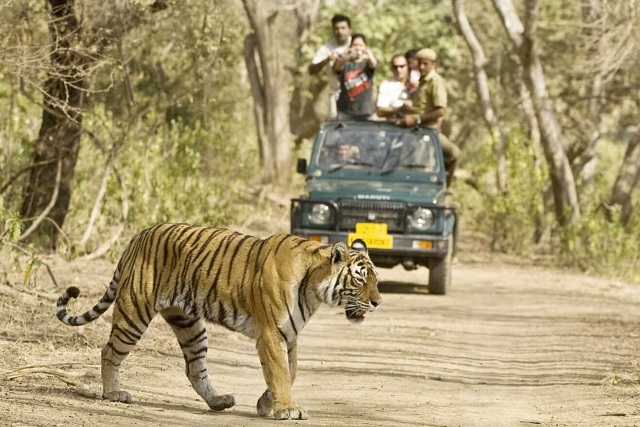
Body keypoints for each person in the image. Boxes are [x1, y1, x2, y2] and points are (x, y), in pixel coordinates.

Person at [396, 48, 460, 186]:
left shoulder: (436, 81)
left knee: (453, 154)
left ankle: (445, 188)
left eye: (425, 64)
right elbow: (422, 106)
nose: (421, 67)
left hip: (428, 130)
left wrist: (417, 119)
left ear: (433, 64)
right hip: (416, 129)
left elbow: (440, 111)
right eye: (419, 63)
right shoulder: (423, 80)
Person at [308, 14, 352, 120]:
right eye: (336, 28)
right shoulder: (327, 48)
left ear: (349, 30)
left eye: (343, 28)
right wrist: (326, 60)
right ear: (332, 30)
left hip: (356, 92)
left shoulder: (356, 44)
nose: (340, 31)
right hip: (337, 94)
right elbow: (311, 69)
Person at [333, 33, 378, 121]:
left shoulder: (367, 64)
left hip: (366, 112)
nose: (357, 47)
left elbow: (374, 64)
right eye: (355, 45)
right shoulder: (345, 63)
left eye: (360, 45)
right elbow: (337, 67)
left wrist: (367, 53)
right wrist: (346, 55)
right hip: (346, 112)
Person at [375, 53, 412, 120]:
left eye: (402, 66)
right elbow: (380, 112)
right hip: (393, 126)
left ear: (408, 66)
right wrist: (400, 109)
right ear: (391, 68)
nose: (398, 70)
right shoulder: (386, 85)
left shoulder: (416, 83)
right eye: (395, 67)